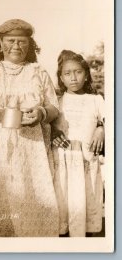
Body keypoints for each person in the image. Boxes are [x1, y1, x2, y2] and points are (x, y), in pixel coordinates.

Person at [0, 19, 60, 237]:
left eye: (22, 41)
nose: (16, 46)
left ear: (30, 44)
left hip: (32, 152)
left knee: (35, 200)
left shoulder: (39, 73)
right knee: (1, 204)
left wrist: (41, 113)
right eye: (10, 41)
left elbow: (54, 107)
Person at [51, 50, 105, 237]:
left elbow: (112, 121)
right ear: (61, 77)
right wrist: (53, 132)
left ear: (86, 74)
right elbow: (49, 128)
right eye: (67, 73)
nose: (73, 78)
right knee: (63, 209)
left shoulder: (96, 100)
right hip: (63, 165)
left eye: (78, 72)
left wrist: (101, 129)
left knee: (85, 209)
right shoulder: (56, 103)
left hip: (86, 163)